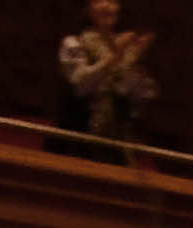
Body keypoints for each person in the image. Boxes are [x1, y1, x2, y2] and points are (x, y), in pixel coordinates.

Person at [57, 0, 155, 139]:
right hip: (79, 137)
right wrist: (114, 57)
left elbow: (141, 96)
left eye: (112, 1)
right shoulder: (73, 42)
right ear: (86, 9)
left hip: (117, 137)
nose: (106, 5)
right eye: (98, 1)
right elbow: (80, 86)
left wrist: (136, 58)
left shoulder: (124, 44)